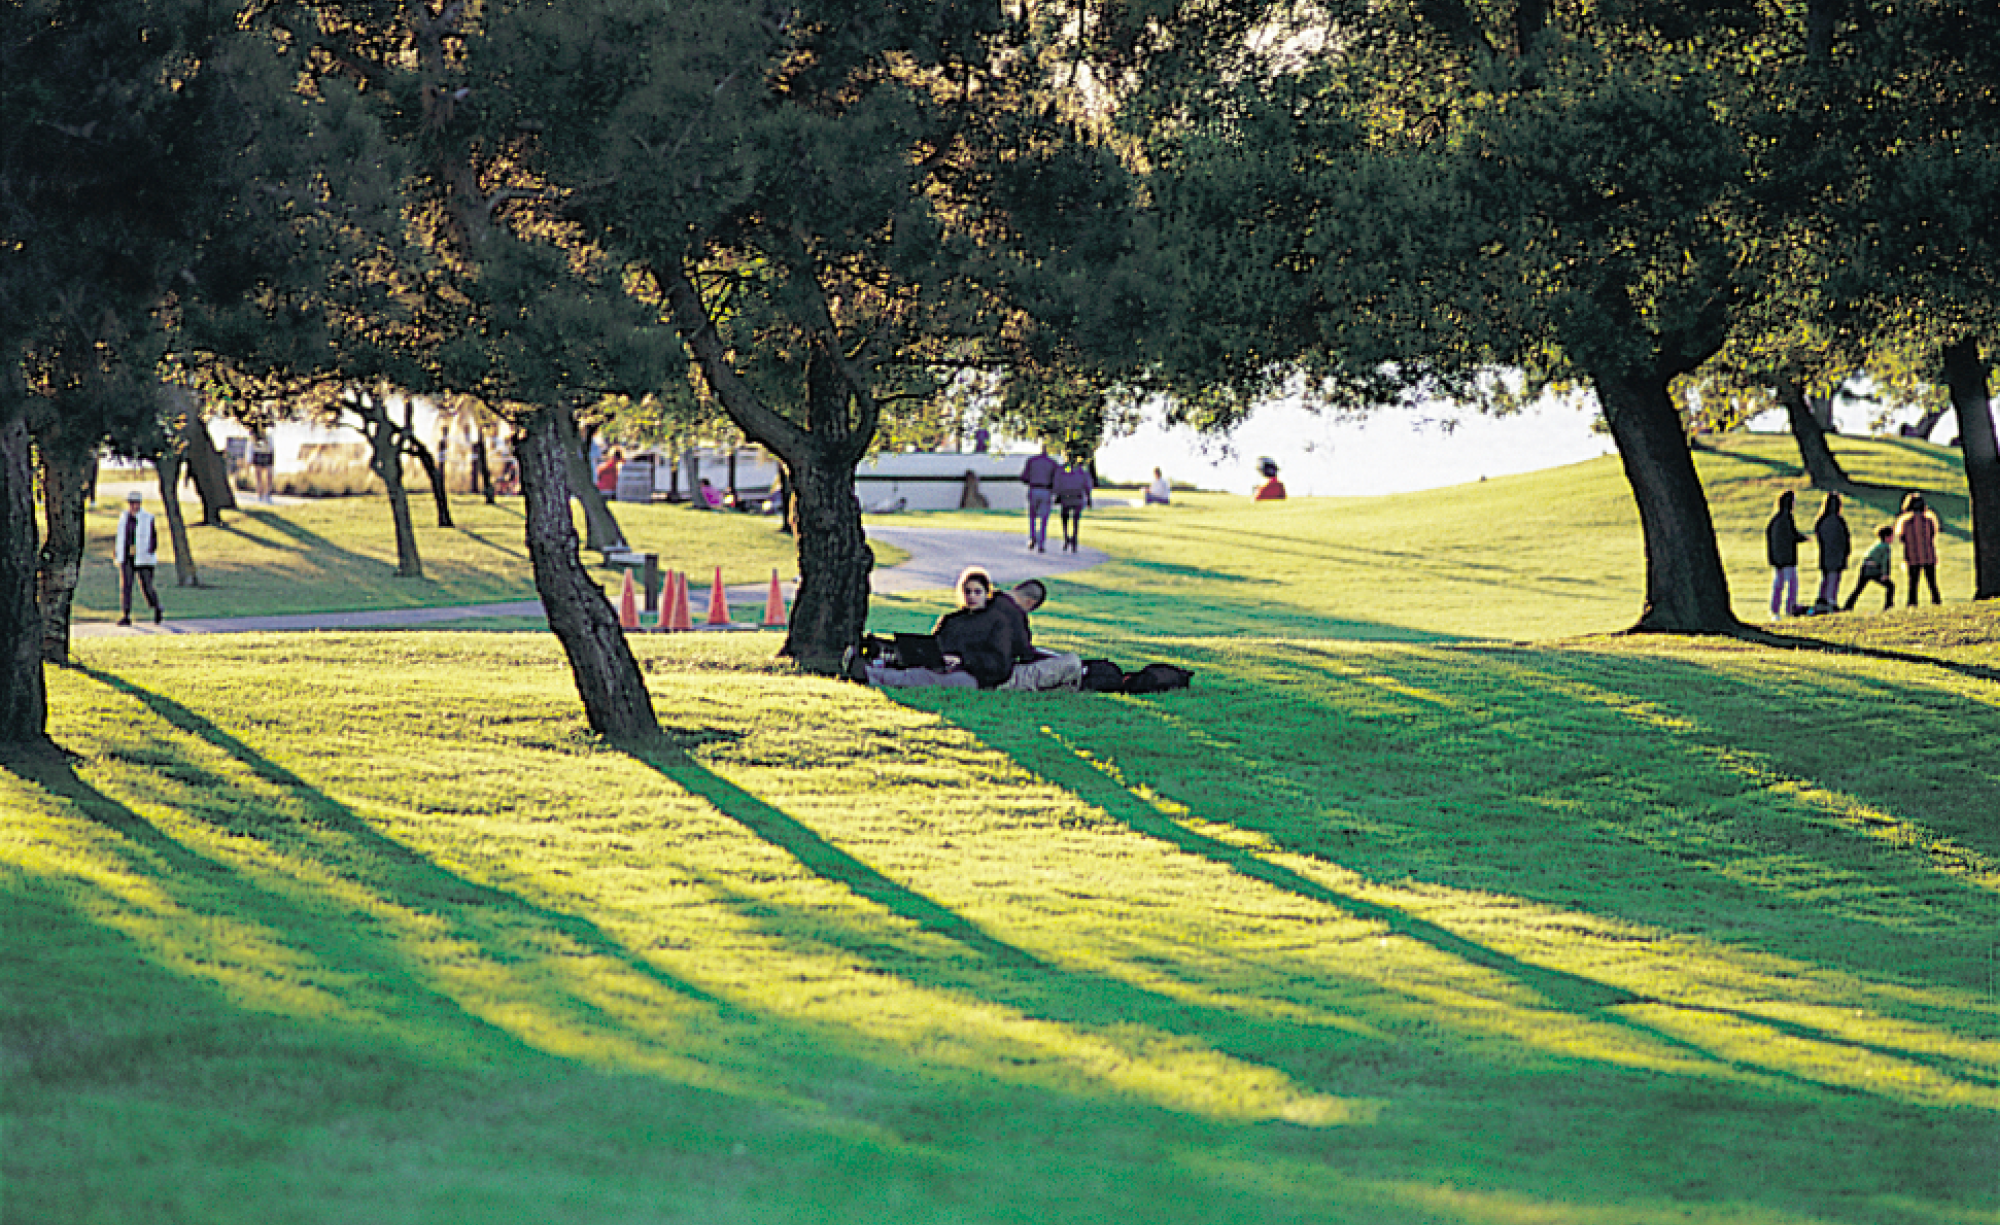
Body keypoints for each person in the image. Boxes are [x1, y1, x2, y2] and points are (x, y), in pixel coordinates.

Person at [857, 567, 1017, 689]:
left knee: (924, 677)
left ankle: (870, 675)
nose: (972, 596)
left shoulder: (998, 622)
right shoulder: (952, 620)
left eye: (977, 592)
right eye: (968, 592)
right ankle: (870, 665)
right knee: (912, 662)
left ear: (987, 594)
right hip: (940, 666)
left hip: (974, 674)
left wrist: (963, 660)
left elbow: (999, 662)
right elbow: (935, 644)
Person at [993, 579, 1085, 691]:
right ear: (1030, 603)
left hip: (971, 669)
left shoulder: (982, 599)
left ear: (1016, 587)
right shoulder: (1016, 616)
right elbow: (1025, 655)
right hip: (999, 678)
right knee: (1073, 662)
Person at [113, 488, 163, 626]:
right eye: (131, 503)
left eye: (136, 503)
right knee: (126, 587)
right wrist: (117, 554)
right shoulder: (124, 517)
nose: (134, 506)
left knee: (146, 586)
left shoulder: (148, 518)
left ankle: (156, 607)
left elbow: (153, 538)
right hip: (127, 557)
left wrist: (150, 552)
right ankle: (126, 615)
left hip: (143, 557)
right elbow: (120, 537)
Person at [1893, 491, 1943, 606]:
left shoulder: (1905, 521)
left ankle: (1912, 604)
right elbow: (1932, 534)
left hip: (1912, 556)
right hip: (1928, 554)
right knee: (1932, 582)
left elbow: (1902, 537)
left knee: (1913, 583)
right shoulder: (1929, 520)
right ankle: (1936, 602)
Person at [1765, 490, 1807, 619]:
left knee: (1778, 584)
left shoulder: (1775, 519)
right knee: (1792, 584)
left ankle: (1775, 610)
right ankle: (1790, 608)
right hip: (1788, 558)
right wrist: (1801, 538)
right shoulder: (1787, 518)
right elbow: (1791, 536)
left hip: (1777, 557)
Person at [1844, 525, 1897, 611]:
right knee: (1890, 586)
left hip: (1865, 568)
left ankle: (1848, 606)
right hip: (1872, 570)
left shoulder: (1877, 544)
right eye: (1892, 536)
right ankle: (1888, 606)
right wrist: (1885, 574)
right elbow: (1885, 562)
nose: (1893, 538)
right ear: (1886, 537)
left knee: (1859, 588)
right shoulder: (1885, 547)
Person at [1812, 492, 1850, 612]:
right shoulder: (1839, 521)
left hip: (1824, 554)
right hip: (1837, 554)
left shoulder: (1821, 520)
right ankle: (1831, 602)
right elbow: (1845, 538)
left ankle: (1821, 599)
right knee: (1834, 578)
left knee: (1825, 578)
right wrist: (1846, 551)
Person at [1020, 444, 1059, 552]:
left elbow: (1023, 477)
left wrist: (1031, 480)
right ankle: (1041, 543)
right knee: (1043, 518)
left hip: (1034, 489)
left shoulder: (1032, 461)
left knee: (1032, 517)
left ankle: (1032, 538)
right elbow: (1056, 479)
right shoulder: (1053, 463)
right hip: (1046, 490)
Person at [1053, 458, 1094, 552]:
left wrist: (1057, 495)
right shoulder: (1082, 471)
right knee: (1075, 520)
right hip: (1077, 497)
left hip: (1066, 497)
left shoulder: (1064, 470)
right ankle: (1074, 538)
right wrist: (1088, 499)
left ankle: (1066, 538)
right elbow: (1087, 486)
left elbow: (1058, 483)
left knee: (1065, 519)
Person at [249, 429, 275, 503]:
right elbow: (250, 447)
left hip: (267, 453)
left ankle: (267, 495)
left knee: (269, 475)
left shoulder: (269, 436)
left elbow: (272, 447)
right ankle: (259, 495)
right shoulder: (253, 437)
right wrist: (249, 460)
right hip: (257, 453)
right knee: (258, 476)